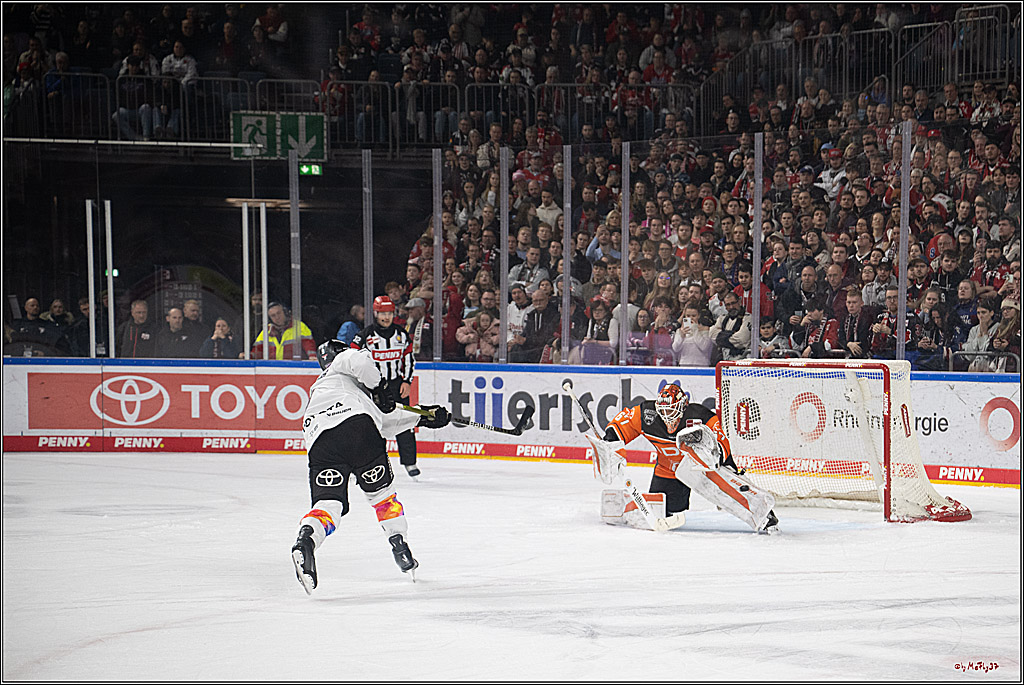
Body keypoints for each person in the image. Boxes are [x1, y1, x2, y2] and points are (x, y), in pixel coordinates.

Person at [290, 339, 451, 594]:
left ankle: (307, 539)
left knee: (329, 505)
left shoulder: (324, 390)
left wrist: (426, 415)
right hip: (358, 429)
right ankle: (398, 542)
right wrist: (381, 387)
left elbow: (385, 420)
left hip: (321, 442)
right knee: (382, 496)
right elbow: (359, 361)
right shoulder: (341, 365)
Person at [589, 383, 778, 533]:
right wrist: (609, 441)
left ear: (682, 407)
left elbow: (722, 440)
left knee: (732, 487)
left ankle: (763, 514)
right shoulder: (648, 414)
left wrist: (717, 460)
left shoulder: (699, 415)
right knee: (665, 512)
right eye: (662, 411)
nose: (666, 417)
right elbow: (624, 421)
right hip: (669, 470)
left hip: (704, 468)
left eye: (670, 411)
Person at [351, 296, 420, 478]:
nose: (386, 317)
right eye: (382, 313)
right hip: (373, 386)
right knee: (369, 425)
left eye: (389, 313)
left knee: (405, 422)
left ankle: (410, 462)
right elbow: (353, 358)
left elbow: (408, 360)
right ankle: (364, 463)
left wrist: (407, 381)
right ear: (375, 313)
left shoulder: (401, 334)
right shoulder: (365, 335)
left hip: (397, 385)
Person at [251, 302, 316, 360]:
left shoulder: (299, 326)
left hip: (295, 368)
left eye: (279, 313)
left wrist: (312, 356)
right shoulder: (266, 331)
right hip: (273, 368)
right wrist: (249, 356)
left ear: (285, 312)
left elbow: (308, 344)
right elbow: (258, 350)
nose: (277, 317)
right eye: (273, 316)